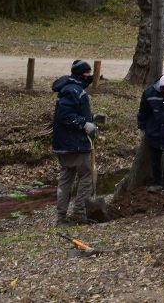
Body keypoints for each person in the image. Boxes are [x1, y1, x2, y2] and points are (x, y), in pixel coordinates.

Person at [52, 60, 96, 225]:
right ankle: (79, 213)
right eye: (87, 73)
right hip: (74, 143)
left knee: (66, 177)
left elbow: (72, 112)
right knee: (86, 176)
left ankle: (61, 217)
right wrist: (84, 124)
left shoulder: (69, 88)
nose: (90, 76)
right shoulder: (73, 90)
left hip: (64, 144)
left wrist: (90, 119)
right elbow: (65, 116)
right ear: (81, 74)